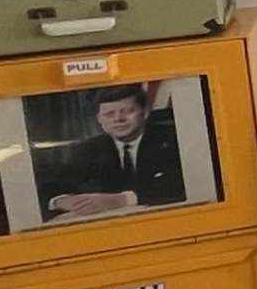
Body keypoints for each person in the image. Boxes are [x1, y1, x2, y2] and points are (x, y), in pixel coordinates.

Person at [41, 84, 186, 220]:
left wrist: (121, 200)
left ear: (145, 113)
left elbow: (181, 184)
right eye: (109, 114)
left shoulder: (174, 139)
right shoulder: (88, 149)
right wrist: (60, 200)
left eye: (128, 111)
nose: (118, 119)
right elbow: (50, 187)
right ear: (99, 119)